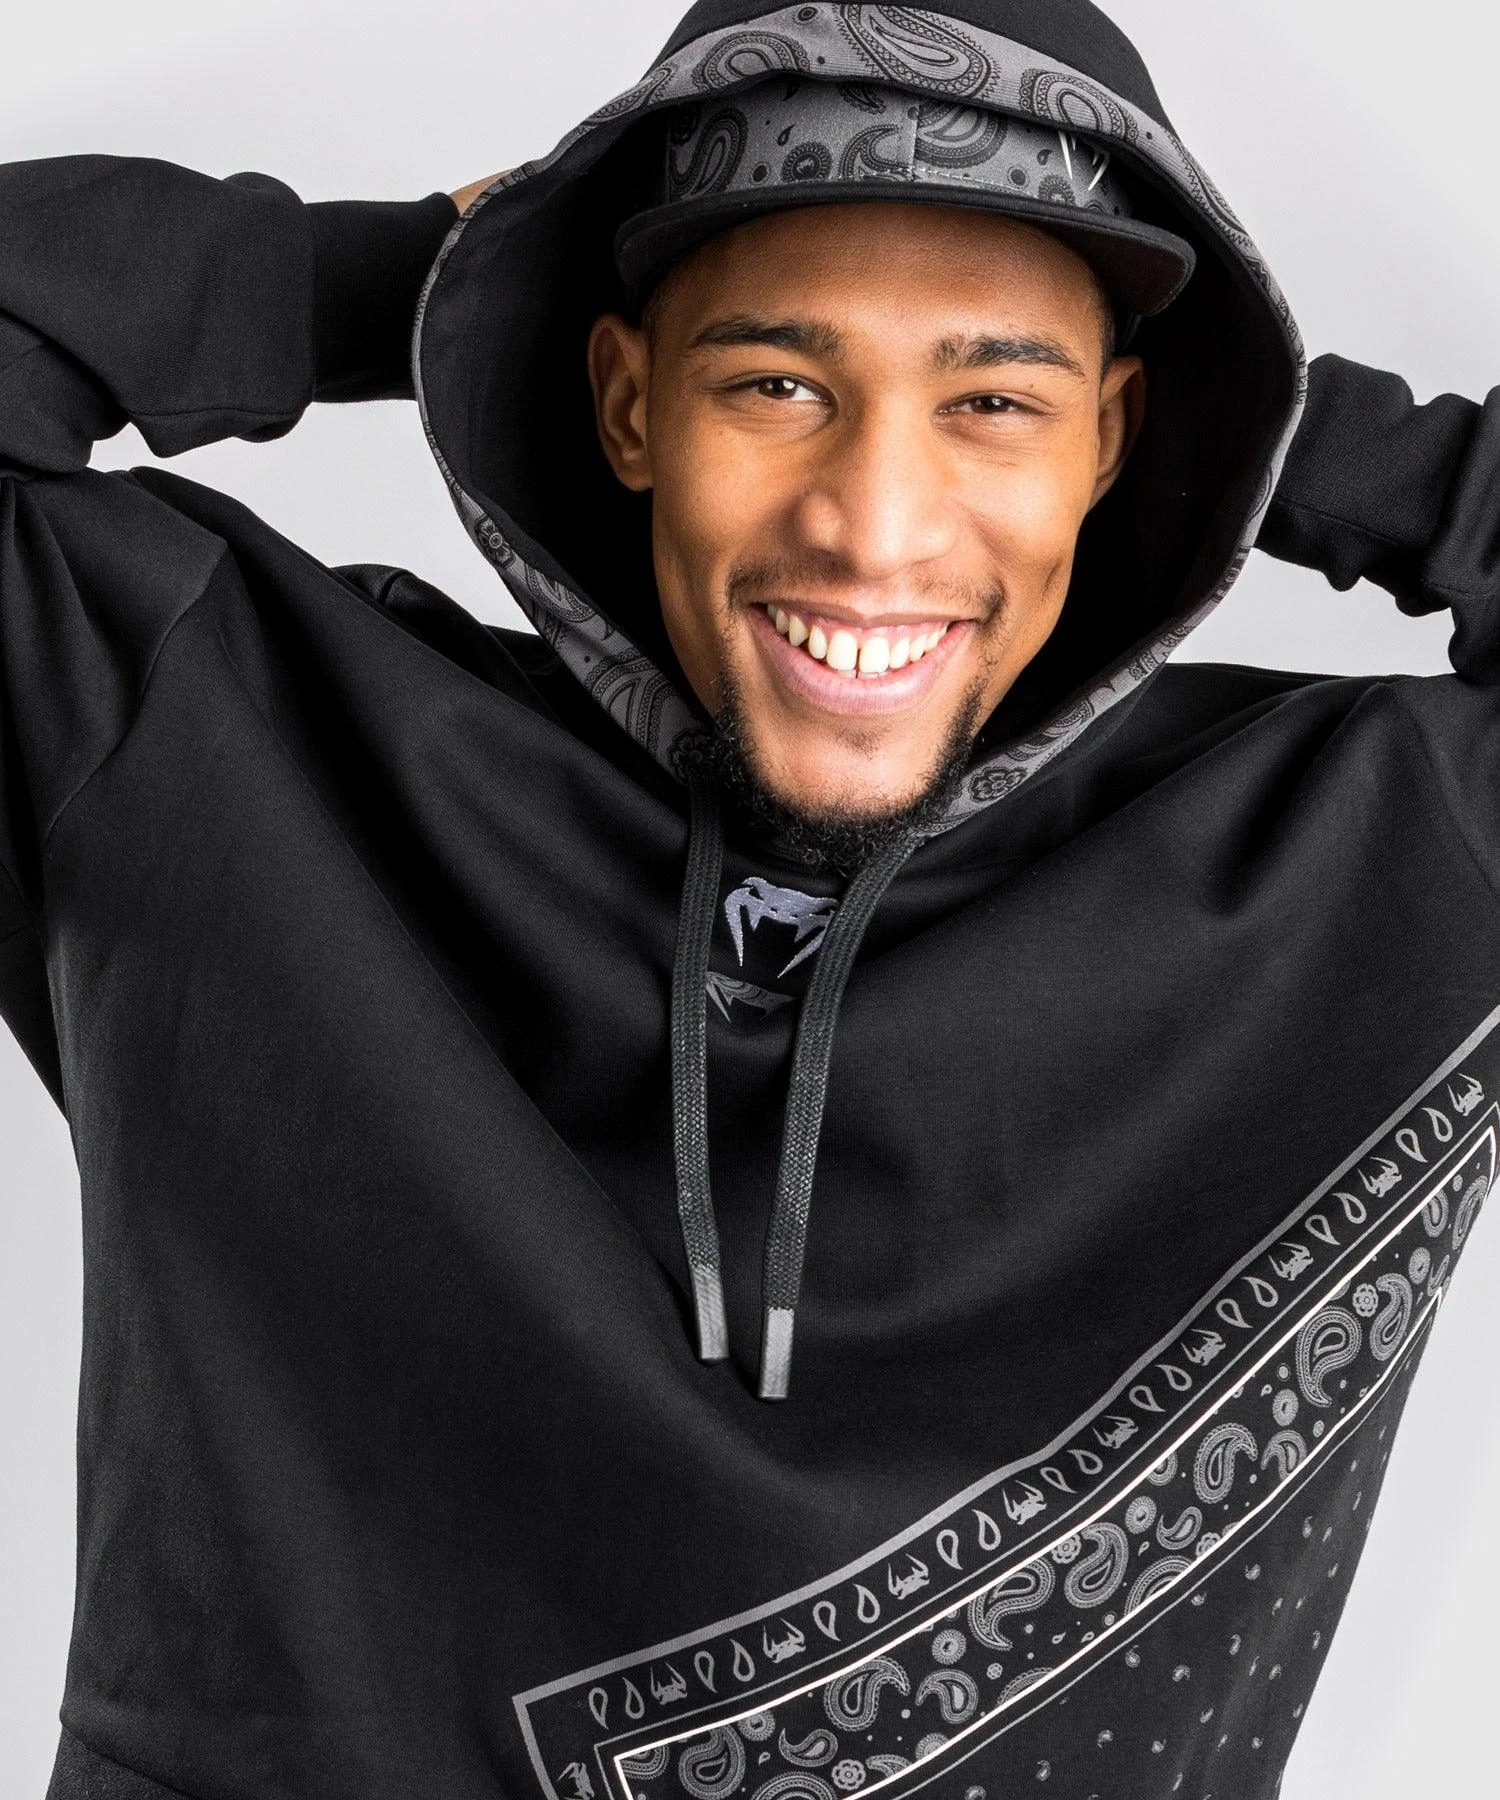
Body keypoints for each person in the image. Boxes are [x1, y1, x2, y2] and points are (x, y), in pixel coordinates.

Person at [2, 0, 1496, 1796]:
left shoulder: (1370, 859)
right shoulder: (230, 739)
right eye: (777, 384)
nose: (874, 525)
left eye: (995, 403)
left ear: (1112, 441)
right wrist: (434, 281)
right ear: (628, 401)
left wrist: (1250, 410)